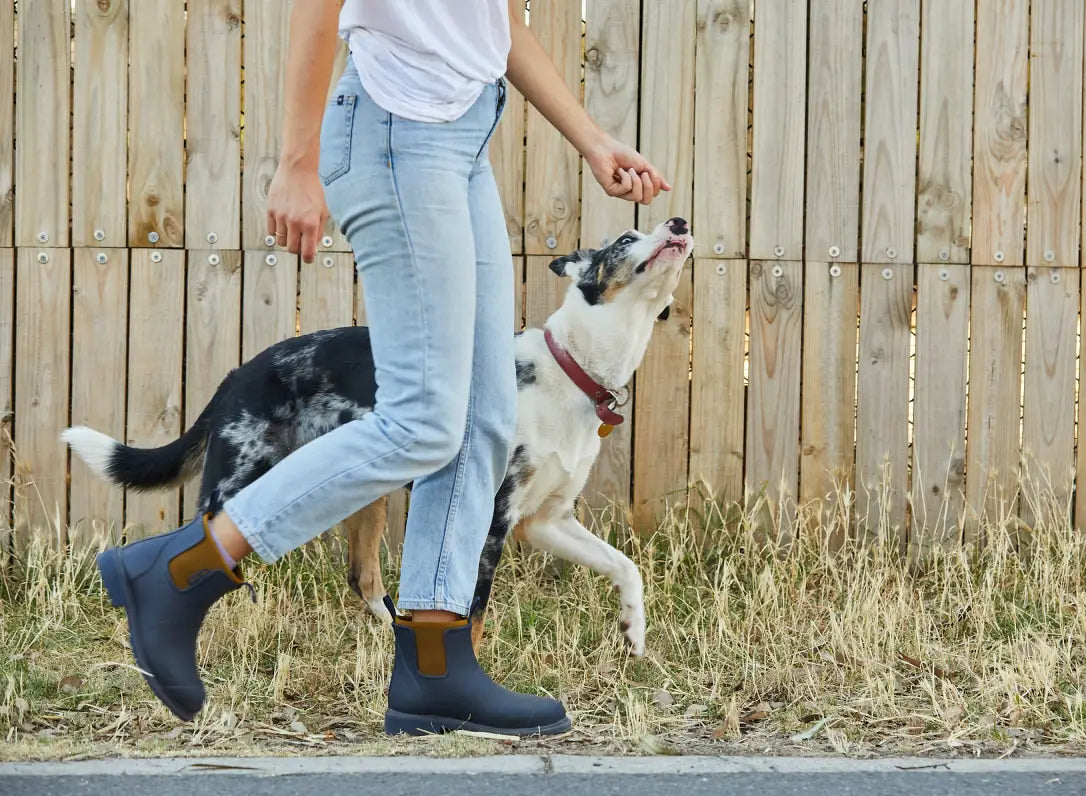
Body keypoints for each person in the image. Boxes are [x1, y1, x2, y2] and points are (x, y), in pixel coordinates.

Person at [94, 0, 669, 737]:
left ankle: (434, 668)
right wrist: (296, 161)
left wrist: (592, 138)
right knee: (423, 422)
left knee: (483, 421)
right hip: (397, 130)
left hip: (463, 141)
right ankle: (178, 571)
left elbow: (497, 23)